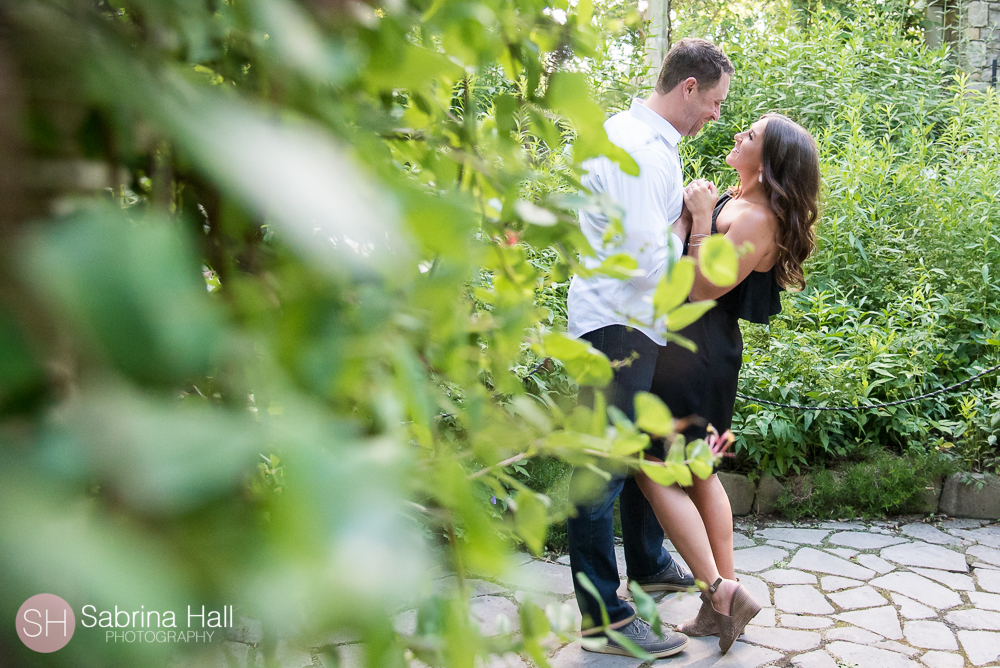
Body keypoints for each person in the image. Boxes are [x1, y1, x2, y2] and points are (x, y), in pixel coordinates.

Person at [565, 38, 734, 658]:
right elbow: (639, 262)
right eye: (714, 100)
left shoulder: (638, 138)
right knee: (602, 470)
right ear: (688, 88)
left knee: (634, 451)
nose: (717, 114)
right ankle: (603, 618)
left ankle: (648, 560)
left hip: (628, 322)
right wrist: (694, 220)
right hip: (618, 322)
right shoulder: (642, 150)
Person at [635, 113, 821, 654]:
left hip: (697, 353)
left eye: (751, 136)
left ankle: (720, 591)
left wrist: (696, 218)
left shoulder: (757, 218)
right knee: (697, 472)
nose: (738, 135)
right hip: (688, 348)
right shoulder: (740, 202)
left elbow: (700, 288)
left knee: (653, 470)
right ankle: (721, 604)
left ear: (768, 164)